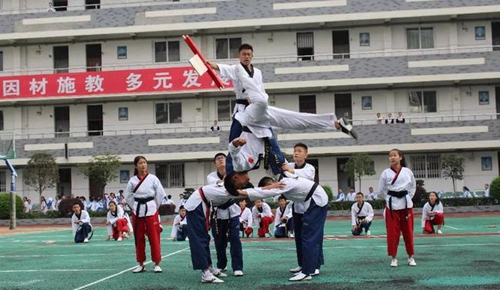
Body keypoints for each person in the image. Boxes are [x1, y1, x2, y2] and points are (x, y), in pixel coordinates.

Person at [239, 176, 328, 282]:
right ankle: (306, 266)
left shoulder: (283, 184)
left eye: (267, 188)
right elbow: (263, 191)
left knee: (309, 237)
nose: (268, 190)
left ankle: (308, 271)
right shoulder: (283, 183)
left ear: (270, 184)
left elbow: (262, 193)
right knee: (301, 237)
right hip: (303, 204)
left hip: (316, 201)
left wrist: (238, 191)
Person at [184, 181, 248, 283]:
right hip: (199, 207)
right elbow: (251, 193)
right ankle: (206, 273)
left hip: (205, 206)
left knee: (205, 238)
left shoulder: (225, 186)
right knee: (199, 239)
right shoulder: (223, 187)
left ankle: (209, 268)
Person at [125, 156, 166, 273]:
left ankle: (157, 263)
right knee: (139, 238)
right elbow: (128, 197)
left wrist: (154, 206)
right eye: (140, 163)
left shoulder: (153, 179)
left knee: (154, 237)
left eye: (144, 163)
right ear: (136, 166)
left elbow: (159, 194)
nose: (143, 165)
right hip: (137, 210)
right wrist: (135, 207)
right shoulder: (132, 181)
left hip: (151, 209)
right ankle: (141, 263)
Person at [206, 152, 245, 277]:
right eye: (218, 159)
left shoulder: (234, 173)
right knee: (219, 240)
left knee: (235, 239)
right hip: (217, 213)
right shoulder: (210, 177)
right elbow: (222, 186)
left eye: (223, 158)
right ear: (215, 164)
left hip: (232, 211)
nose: (221, 160)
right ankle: (222, 265)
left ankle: (237, 267)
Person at [378, 148, 416, 267]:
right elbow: (382, 189)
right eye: (390, 156)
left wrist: (407, 197)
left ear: (400, 157)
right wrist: (389, 198)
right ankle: (394, 258)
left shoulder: (407, 172)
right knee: (392, 232)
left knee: (408, 231)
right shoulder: (385, 173)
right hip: (392, 205)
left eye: (394, 155)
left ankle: (410, 256)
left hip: (406, 204)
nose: (392, 158)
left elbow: (412, 187)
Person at [287, 142, 320, 275]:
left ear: (306, 154)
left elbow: (299, 175)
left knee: (312, 238)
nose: (296, 153)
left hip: (311, 206)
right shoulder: (289, 166)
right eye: (295, 151)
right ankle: (302, 264)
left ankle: (315, 265)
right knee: (299, 237)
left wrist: (287, 171)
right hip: (296, 206)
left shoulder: (310, 168)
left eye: (299, 151)